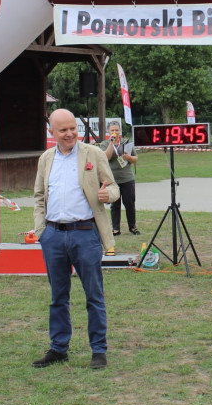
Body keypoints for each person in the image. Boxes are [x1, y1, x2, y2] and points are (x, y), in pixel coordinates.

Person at [31, 108, 120, 370]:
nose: (70, 133)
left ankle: (99, 350)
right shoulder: (46, 159)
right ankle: (58, 348)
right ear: (52, 133)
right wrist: (41, 232)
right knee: (58, 296)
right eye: (63, 130)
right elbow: (38, 197)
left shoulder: (93, 154)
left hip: (85, 235)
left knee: (94, 295)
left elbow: (112, 186)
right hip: (54, 236)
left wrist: (108, 196)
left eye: (73, 128)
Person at [100, 121, 139, 236]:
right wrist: (112, 143)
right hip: (113, 180)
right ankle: (116, 229)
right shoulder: (105, 144)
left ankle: (133, 227)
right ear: (108, 132)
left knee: (130, 203)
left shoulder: (126, 142)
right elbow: (105, 157)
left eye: (116, 130)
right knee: (115, 205)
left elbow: (135, 159)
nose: (115, 132)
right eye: (112, 130)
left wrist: (129, 157)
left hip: (127, 178)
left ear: (120, 131)